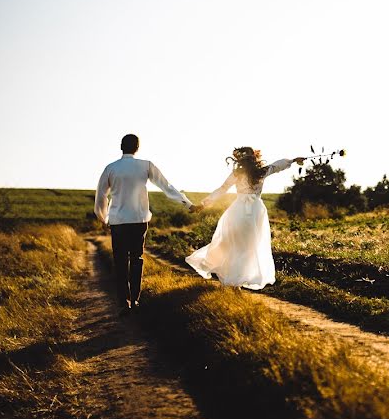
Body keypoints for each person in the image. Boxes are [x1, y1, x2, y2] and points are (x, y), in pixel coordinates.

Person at [94, 134, 193, 315]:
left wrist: (104, 218)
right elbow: (166, 186)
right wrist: (187, 203)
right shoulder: (145, 166)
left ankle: (124, 303)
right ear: (137, 147)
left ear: (121, 147)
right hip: (139, 220)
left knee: (120, 262)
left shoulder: (111, 168)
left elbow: (101, 195)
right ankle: (135, 300)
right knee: (137, 259)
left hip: (118, 222)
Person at [186, 147, 304, 289]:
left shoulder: (238, 174)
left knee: (234, 243)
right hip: (254, 211)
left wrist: (203, 204)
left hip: (240, 210)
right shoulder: (262, 171)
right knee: (247, 246)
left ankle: (234, 279)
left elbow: (222, 189)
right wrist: (292, 161)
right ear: (254, 158)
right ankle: (235, 280)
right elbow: (277, 166)